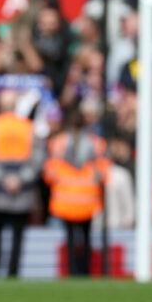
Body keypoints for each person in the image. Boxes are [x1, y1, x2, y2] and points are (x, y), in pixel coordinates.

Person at [0, 89, 45, 278]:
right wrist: (20, 179)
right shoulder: (28, 127)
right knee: (16, 236)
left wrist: (3, 178)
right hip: (20, 189)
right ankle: (12, 273)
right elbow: (37, 158)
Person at [42, 108, 109, 276]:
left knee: (70, 238)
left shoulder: (58, 142)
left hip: (65, 198)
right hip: (88, 199)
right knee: (86, 238)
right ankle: (85, 272)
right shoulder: (96, 143)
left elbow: (50, 172)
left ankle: (72, 271)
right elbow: (104, 173)